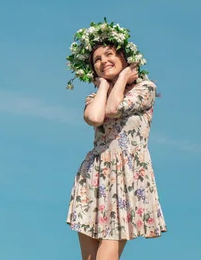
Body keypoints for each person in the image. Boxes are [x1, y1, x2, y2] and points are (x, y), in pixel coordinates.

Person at [65, 20, 167, 260]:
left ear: (124, 58)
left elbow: (113, 110)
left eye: (109, 55)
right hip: (94, 174)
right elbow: (94, 117)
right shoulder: (96, 95)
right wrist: (102, 85)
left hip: (126, 175)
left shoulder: (145, 89)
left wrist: (121, 79)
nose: (103, 62)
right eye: (97, 60)